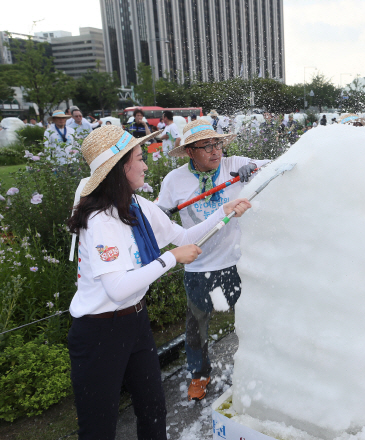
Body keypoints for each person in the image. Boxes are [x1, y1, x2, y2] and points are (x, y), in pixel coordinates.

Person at [66, 125, 251, 439]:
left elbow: (184, 237)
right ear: (119, 169)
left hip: (135, 321)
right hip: (98, 332)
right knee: (98, 426)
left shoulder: (138, 206)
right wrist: (170, 259)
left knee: (153, 409)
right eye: (139, 158)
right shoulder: (100, 220)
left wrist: (224, 211)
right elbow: (118, 288)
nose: (146, 164)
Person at [157, 120, 270, 401]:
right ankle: (199, 375)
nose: (214, 151)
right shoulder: (174, 180)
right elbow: (158, 219)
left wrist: (256, 168)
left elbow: (276, 167)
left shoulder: (236, 164)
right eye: (205, 146)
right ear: (189, 152)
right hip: (198, 266)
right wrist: (165, 221)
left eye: (217, 144)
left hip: (237, 261)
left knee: (252, 317)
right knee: (196, 328)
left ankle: (258, 368)